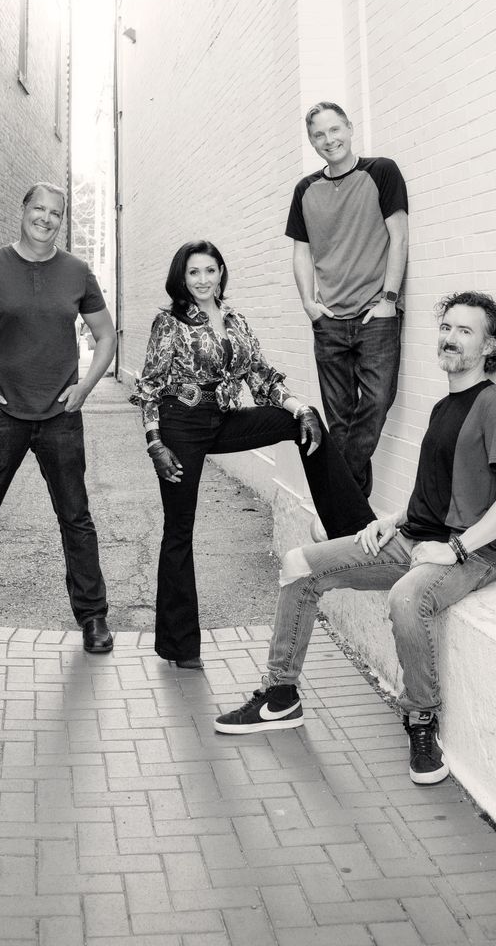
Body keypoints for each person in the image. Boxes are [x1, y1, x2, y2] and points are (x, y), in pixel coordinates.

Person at [215, 292, 496, 787]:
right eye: (446, 327)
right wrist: (392, 519)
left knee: (407, 598)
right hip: (416, 540)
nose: (450, 338)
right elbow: (436, 489)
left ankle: (421, 720)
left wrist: (455, 548)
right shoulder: (444, 407)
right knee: (299, 565)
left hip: (470, 553)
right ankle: (280, 695)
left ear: (490, 346)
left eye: (464, 331)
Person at [132, 241, 375, 670]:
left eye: (210, 270)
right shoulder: (169, 322)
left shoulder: (236, 320)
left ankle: (353, 529)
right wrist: (156, 444)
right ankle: (179, 646)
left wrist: (298, 408)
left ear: (221, 273)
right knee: (179, 530)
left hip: (224, 419)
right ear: (182, 278)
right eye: (194, 272)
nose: (203, 279)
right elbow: (150, 387)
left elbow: (261, 377)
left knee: (306, 421)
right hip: (181, 425)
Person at [0, 182, 117, 656]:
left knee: (76, 517)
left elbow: (106, 336)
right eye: (39, 209)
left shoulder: (77, 272)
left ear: (62, 221)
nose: (46, 219)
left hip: (60, 416)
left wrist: (85, 386)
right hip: (2, 416)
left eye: (56, 213)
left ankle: (93, 618)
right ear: (23, 210)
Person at [287, 101, 409, 497]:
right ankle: (353, 514)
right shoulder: (305, 189)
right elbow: (301, 251)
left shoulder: (381, 171)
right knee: (338, 422)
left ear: (350, 128)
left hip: (376, 314)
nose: (329, 140)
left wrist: (389, 298)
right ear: (312, 141)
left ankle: (338, 498)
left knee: (377, 402)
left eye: (335, 129)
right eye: (319, 135)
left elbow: (399, 237)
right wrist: (309, 304)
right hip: (329, 320)